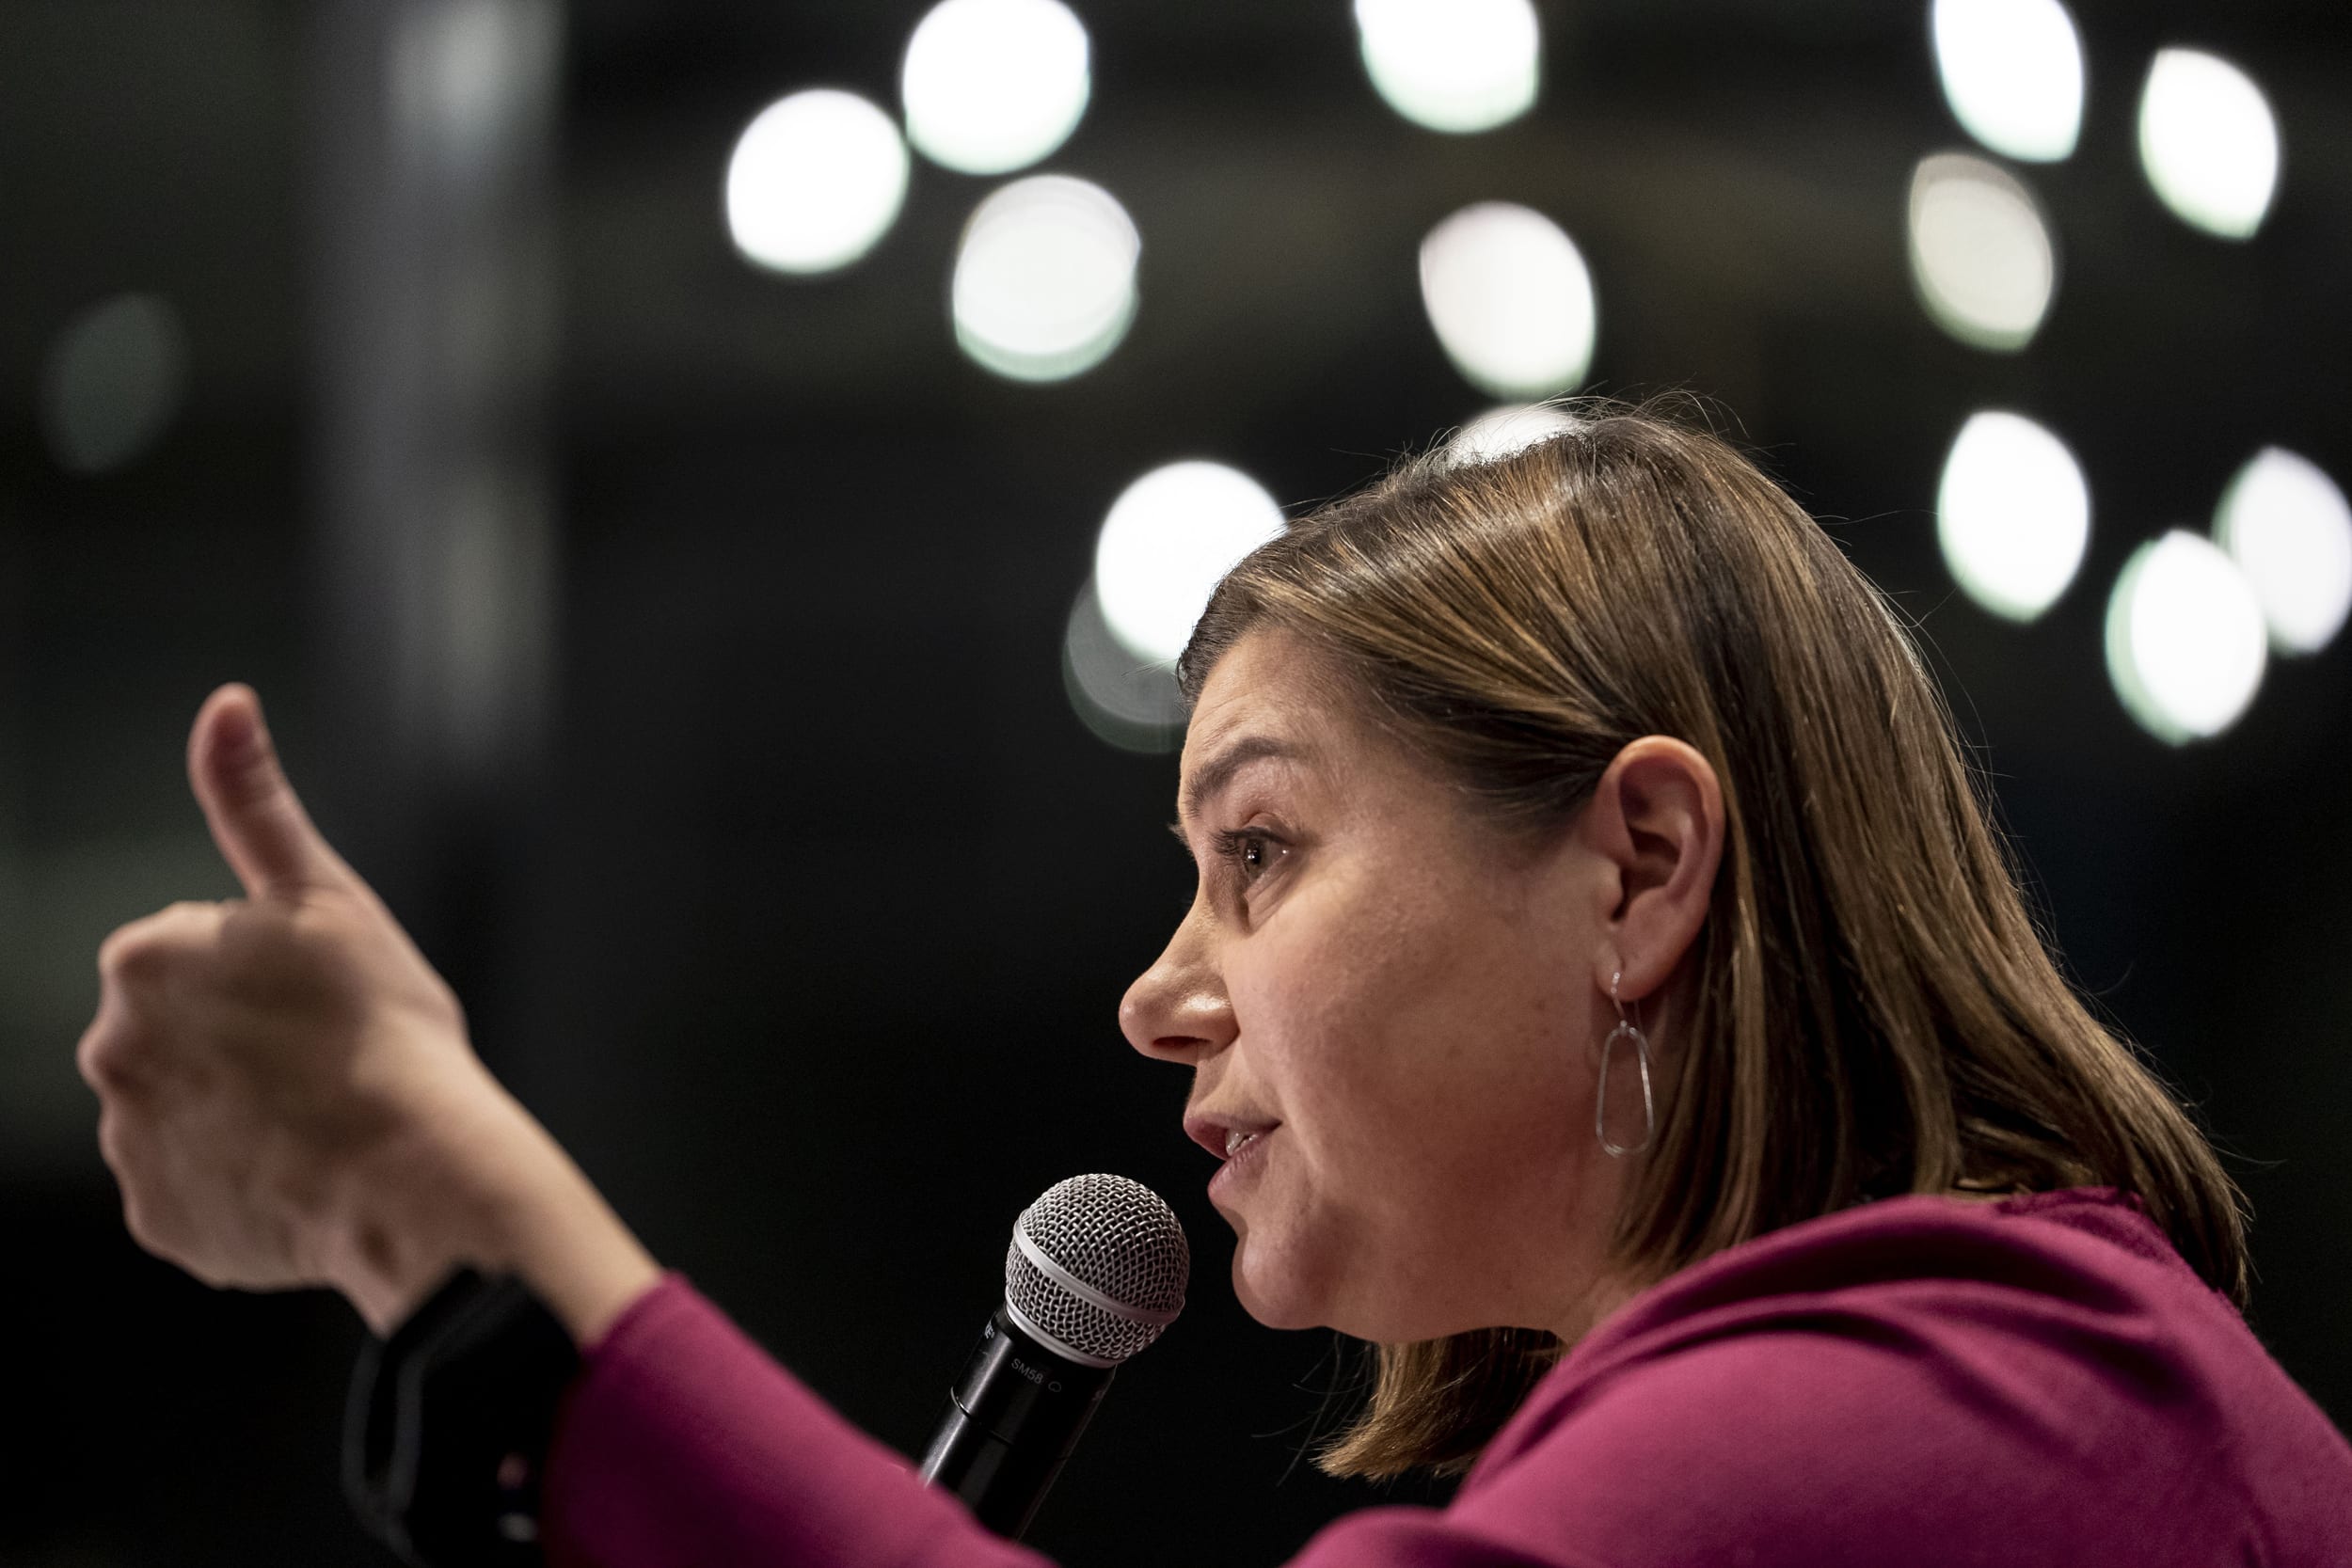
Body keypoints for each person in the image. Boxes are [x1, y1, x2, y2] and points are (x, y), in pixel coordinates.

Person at [78, 404, 2352, 1565]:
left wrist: (445, 1206)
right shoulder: (2006, 1374)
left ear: (1637, 868)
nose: (1162, 996)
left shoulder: (1966, 1403)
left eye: (1256, 852)